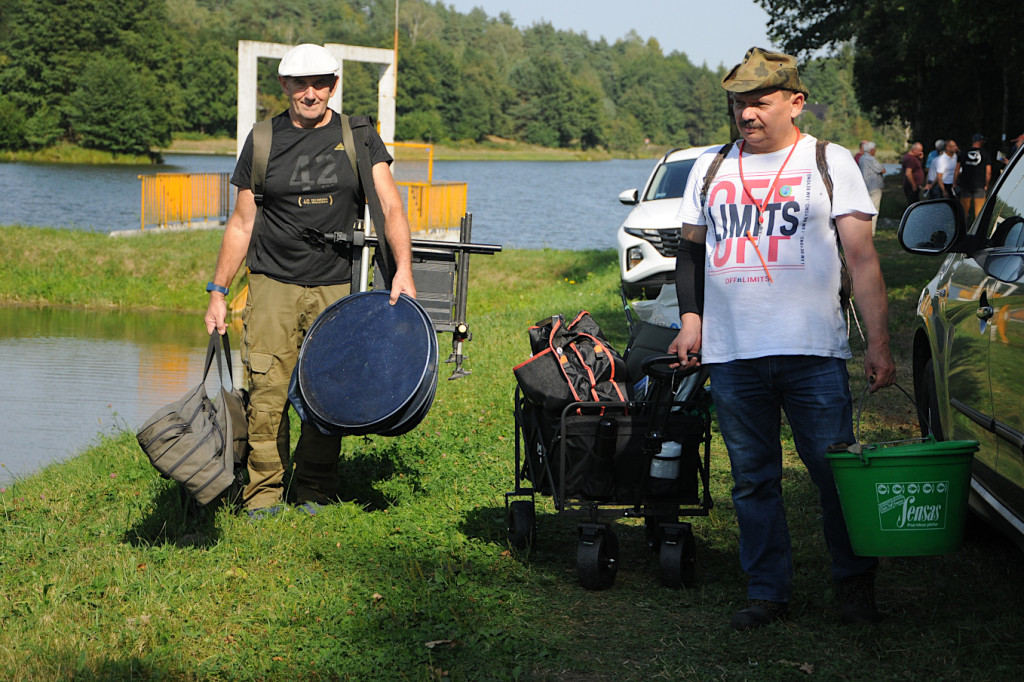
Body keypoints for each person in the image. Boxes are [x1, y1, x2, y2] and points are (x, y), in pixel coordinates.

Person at [669, 47, 896, 630]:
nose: (747, 115)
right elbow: (691, 250)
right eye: (739, 103)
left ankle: (855, 586)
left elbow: (863, 259)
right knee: (753, 479)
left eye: (759, 103)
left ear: (795, 102)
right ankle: (768, 592)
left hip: (812, 353)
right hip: (735, 353)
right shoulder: (710, 167)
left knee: (833, 474)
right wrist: (691, 319)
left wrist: (879, 344)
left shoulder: (829, 160)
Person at [204, 43, 416, 516]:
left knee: (327, 388)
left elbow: (390, 205)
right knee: (266, 390)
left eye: (320, 83)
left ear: (334, 86)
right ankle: (263, 496)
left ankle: (315, 490)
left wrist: (403, 268)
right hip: (272, 283)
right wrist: (218, 291)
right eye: (300, 83)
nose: (310, 92)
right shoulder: (262, 141)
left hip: (337, 285)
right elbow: (241, 223)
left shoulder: (359, 136)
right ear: (284, 86)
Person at [957, 134, 991, 222]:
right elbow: (988, 172)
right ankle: (977, 231)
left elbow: (957, 169)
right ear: (980, 141)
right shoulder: (985, 154)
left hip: (965, 185)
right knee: (979, 213)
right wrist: (986, 185)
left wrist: (954, 183)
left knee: (963, 211)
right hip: (979, 185)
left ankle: (962, 230)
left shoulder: (963, 152)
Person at [858, 141, 885, 233]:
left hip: (865, 186)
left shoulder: (861, 158)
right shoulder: (871, 159)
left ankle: (863, 229)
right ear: (872, 150)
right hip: (874, 187)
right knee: (874, 209)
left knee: (865, 209)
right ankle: (871, 231)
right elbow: (882, 169)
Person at [901, 142, 925, 206]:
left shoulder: (912, 158)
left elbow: (917, 168)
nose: (921, 153)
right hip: (912, 186)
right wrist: (914, 185)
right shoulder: (911, 159)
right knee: (913, 204)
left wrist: (920, 159)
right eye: (919, 151)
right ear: (914, 150)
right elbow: (908, 173)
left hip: (913, 185)